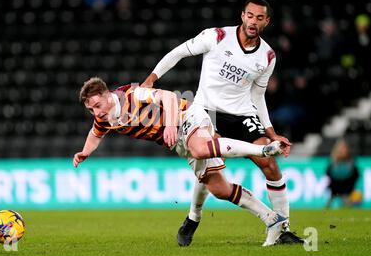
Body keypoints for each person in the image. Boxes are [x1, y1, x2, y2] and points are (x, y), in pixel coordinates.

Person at [141, 0, 303, 245]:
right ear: (242, 16)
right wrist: (152, 78)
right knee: (212, 179)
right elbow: (178, 52)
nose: (253, 21)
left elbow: (258, 96)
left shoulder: (267, 56)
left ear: (266, 22)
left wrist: (271, 133)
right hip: (207, 111)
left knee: (269, 163)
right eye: (250, 15)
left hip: (241, 114)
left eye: (260, 18)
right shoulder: (216, 36)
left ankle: (284, 228)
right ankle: (194, 216)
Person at [73, 77, 292, 246]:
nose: (96, 112)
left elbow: (168, 97)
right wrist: (85, 152)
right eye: (91, 109)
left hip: (187, 117)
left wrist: (169, 124)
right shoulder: (103, 118)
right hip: (178, 141)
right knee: (219, 189)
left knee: (200, 149)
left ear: (107, 95)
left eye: (97, 105)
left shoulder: (132, 94)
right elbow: (95, 134)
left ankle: (262, 150)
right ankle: (271, 218)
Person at [325, 139, 360, 208]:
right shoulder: (333, 161)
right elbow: (328, 172)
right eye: (341, 148)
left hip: (346, 187)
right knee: (329, 202)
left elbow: (356, 174)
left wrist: (350, 183)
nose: (342, 150)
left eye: (344, 148)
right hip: (335, 186)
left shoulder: (351, 161)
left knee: (347, 203)